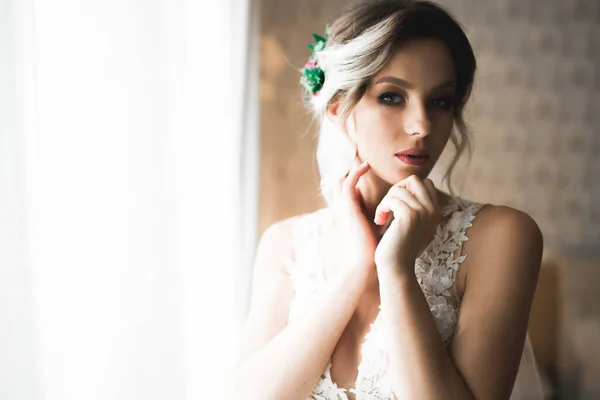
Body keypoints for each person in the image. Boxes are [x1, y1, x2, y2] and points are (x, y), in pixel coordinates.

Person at [234, 0, 546, 399]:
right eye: (392, 97)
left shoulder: (503, 237)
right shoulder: (286, 246)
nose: (421, 126)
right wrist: (356, 270)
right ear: (337, 108)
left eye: (440, 101)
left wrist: (396, 271)